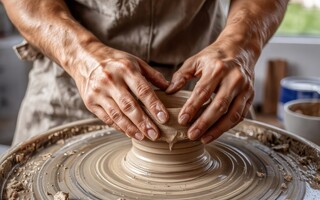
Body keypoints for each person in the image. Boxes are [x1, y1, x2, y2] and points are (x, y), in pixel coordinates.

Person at [2, 0, 288, 145]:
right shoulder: (79, 62)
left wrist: (239, 46)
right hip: (75, 71)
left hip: (202, 74)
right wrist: (82, 57)